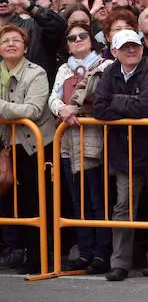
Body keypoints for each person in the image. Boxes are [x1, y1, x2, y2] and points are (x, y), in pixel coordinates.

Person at [91, 29, 148, 281]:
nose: (131, 50)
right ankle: (120, 262)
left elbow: (145, 107)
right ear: (114, 52)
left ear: (142, 48)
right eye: (125, 47)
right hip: (124, 152)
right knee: (123, 207)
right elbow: (99, 109)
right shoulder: (109, 72)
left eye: (134, 45)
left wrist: (117, 101)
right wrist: (127, 103)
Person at [49, 22, 113, 274]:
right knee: (79, 199)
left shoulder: (106, 65)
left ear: (91, 39)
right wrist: (62, 109)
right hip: (68, 139)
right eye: (72, 37)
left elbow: (102, 95)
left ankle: (102, 252)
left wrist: (76, 108)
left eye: (82, 35)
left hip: (97, 138)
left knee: (99, 199)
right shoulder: (63, 69)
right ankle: (85, 251)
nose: (77, 40)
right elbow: (53, 97)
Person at [0, 24, 53, 274]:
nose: (10, 44)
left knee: (34, 202)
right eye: (5, 41)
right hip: (5, 145)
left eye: (16, 40)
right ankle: (13, 252)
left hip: (34, 146)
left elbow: (32, 110)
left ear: (25, 47)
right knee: (8, 202)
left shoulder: (37, 73)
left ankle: (38, 257)